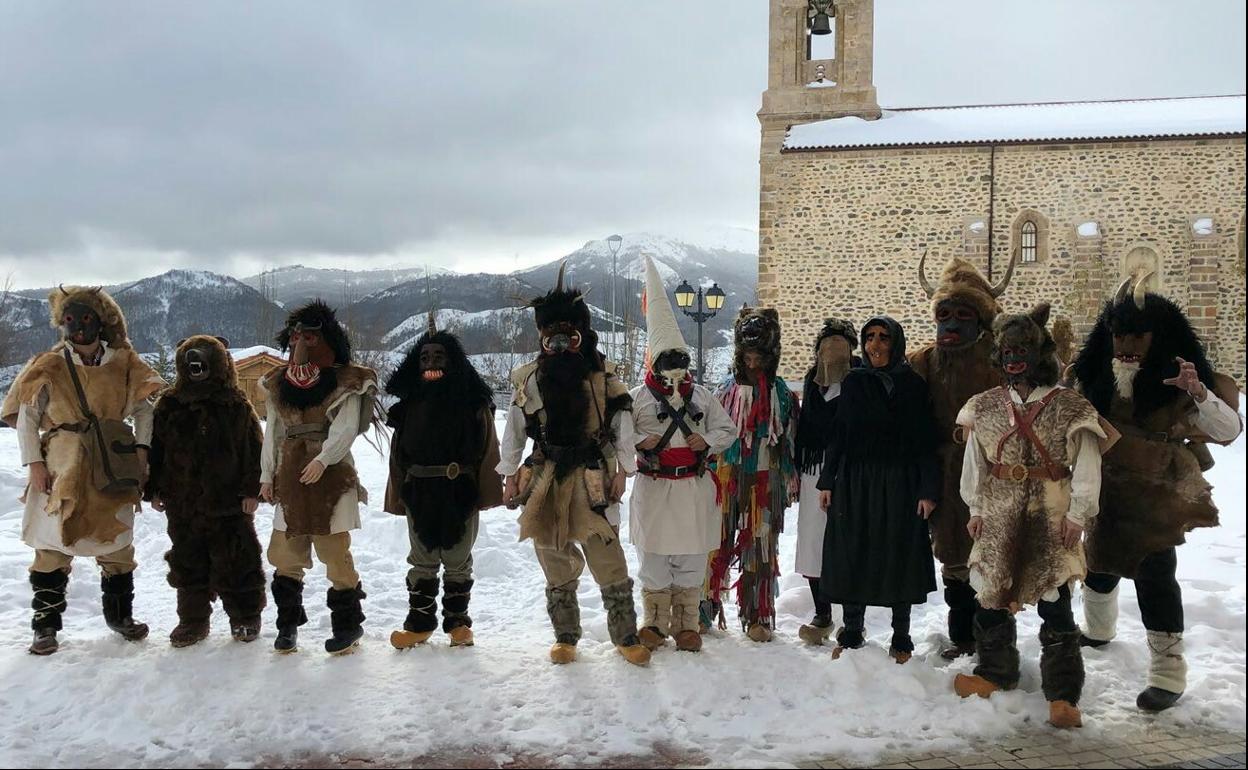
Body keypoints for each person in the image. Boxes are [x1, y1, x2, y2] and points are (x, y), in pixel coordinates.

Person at [1070, 272, 1241, 712]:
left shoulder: (1181, 383)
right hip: (1106, 487)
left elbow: (1228, 429)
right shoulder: (1093, 378)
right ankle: (1098, 630)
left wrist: (1199, 392)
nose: (1126, 345)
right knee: (1099, 561)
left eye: (1138, 335)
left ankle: (1168, 673)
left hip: (1156, 490)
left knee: (1155, 575)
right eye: (1119, 334)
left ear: (1158, 338)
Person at [953, 304, 1117, 729]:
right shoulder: (984, 405)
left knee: (1055, 602)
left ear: (1039, 352)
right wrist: (974, 507)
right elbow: (976, 462)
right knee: (990, 594)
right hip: (1000, 509)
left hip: (1051, 511)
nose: (1013, 358)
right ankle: (995, 672)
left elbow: (1086, 463)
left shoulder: (1069, 406)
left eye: (1022, 348)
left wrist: (1079, 514)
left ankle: (1063, 695)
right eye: (1007, 350)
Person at [499, 264, 650, 666]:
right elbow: (515, 430)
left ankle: (625, 634)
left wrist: (623, 471)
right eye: (552, 337)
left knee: (607, 556)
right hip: (546, 474)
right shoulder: (529, 381)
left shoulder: (603, 380)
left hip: (593, 476)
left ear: (582, 335)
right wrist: (510, 474)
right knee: (552, 552)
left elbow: (622, 428)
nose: (561, 343)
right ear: (543, 338)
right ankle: (565, 635)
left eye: (570, 335)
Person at [2, 286, 164, 655]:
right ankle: (45, 627)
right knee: (53, 547)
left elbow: (144, 409)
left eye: (86, 318)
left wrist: (141, 451)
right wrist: (35, 465)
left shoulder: (124, 361)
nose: (78, 327)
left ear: (101, 321)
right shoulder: (50, 363)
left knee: (117, 544)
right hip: (63, 464)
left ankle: (119, 616)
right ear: (63, 322)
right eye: (71, 319)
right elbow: (27, 417)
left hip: (112, 460)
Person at [909, 251, 1015, 659]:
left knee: (995, 558)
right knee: (953, 559)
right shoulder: (921, 363)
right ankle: (964, 638)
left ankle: (995, 645)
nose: (950, 325)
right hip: (944, 476)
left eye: (963, 316)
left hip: (997, 475)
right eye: (944, 315)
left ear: (982, 322)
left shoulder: (1003, 364)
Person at [260, 300, 380, 655]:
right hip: (291, 474)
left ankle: (347, 626)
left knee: (334, 552)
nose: (301, 343)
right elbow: (273, 433)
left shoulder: (347, 381)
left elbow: (344, 428)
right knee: (286, 551)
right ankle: (287, 626)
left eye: (309, 337)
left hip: (332, 475)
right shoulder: (278, 385)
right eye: (297, 336)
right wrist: (267, 475)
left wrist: (325, 459)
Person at [628, 258, 736, 653]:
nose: (675, 368)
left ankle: (687, 623)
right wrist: (642, 441)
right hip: (654, 488)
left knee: (690, 557)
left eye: (680, 359)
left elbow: (728, 429)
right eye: (667, 360)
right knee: (654, 557)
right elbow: (619, 437)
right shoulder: (637, 400)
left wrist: (705, 441)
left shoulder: (703, 396)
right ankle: (654, 624)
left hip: (691, 487)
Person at [817, 316, 938, 663]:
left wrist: (927, 489)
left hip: (900, 483)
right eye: (869, 338)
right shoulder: (853, 383)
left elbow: (923, 441)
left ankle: (901, 637)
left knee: (897, 552)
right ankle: (852, 630)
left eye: (883, 338)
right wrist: (828, 480)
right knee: (854, 550)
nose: (875, 345)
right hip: (856, 482)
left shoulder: (913, 385)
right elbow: (839, 434)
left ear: (895, 343)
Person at [384, 312, 502, 648]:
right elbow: (397, 457)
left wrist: (486, 491)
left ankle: (457, 623)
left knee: (457, 559)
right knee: (421, 559)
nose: (431, 362)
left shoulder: (472, 406)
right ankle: (419, 622)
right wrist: (400, 493)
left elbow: (486, 449)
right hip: (418, 492)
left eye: (439, 356)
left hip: (459, 491)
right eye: (424, 357)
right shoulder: (407, 407)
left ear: (453, 363)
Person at [146, 335, 266, 647]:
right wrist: (154, 487)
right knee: (188, 562)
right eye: (191, 362)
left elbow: (255, 451)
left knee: (237, 561)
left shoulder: (236, 405)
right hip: (182, 502)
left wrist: (252, 490)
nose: (196, 367)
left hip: (229, 504)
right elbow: (156, 451)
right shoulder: (169, 406)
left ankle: (245, 617)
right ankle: (193, 620)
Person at [703, 306, 800, 642]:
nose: (752, 361)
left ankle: (757, 613)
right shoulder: (726, 390)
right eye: (746, 354)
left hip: (764, 479)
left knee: (760, 546)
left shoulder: (782, 393)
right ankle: (705, 604)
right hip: (727, 477)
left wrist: (787, 477)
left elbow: (789, 439)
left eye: (759, 355)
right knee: (716, 542)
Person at [792, 317, 858, 645]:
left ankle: (851, 617)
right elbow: (805, 427)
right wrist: (796, 466)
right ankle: (822, 611)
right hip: (813, 469)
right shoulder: (811, 381)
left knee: (844, 540)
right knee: (813, 541)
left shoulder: (859, 380)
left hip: (847, 471)